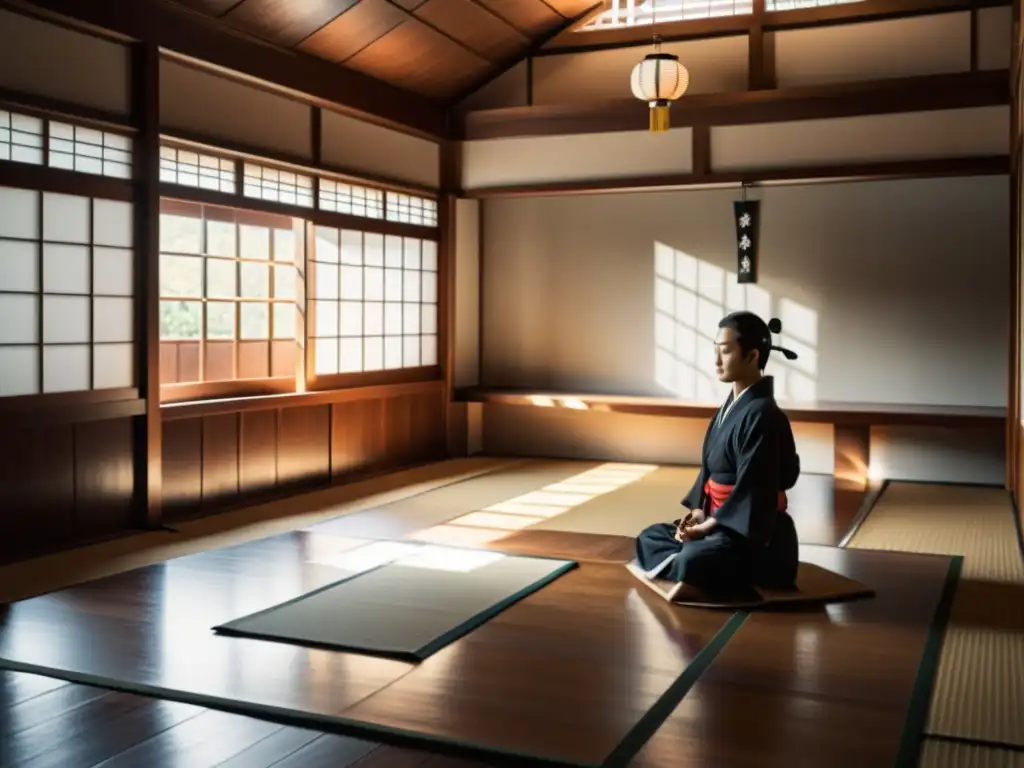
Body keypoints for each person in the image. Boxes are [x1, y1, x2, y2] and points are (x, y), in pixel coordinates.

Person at [633, 311, 801, 596]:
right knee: (649, 537)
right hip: (718, 524)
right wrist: (699, 514)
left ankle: (692, 570)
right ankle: (693, 570)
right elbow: (708, 473)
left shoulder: (764, 415)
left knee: (693, 559)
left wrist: (710, 526)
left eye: (725, 352)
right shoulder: (728, 410)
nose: (716, 361)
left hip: (754, 535)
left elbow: (753, 489)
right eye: (715, 351)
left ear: (752, 356)